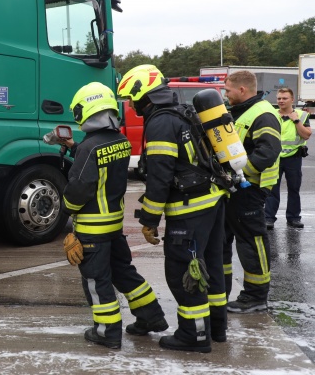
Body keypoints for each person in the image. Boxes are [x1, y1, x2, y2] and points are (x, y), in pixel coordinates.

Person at [117, 64, 228, 353]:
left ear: (145, 95)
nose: (132, 105)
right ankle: (216, 328)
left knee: (185, 272)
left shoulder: (160, 123)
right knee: (211, 268)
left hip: (189, 210)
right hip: (212, 202)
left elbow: (160, 177)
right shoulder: (183, 112)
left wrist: (150, 219)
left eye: (133, 98)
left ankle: (194, 336)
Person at [61, 81, 168, 350]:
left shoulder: (89, 148)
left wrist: (65, 209)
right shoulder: (120, 141)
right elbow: (100, 160)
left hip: (91, 232)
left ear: (86, 110)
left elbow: (80, 187)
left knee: (97, 283)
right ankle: (151, 318)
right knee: (125, 273)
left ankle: (107, 332)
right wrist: (75, 146)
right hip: (113, 227)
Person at [222, 70, 281, 314]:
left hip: (251, 188)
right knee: (223, 239)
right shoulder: (242, 111)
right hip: (235, 188)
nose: (226, 94)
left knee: (251, 241)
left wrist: (240, 175)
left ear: (242, 90)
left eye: (228, 90)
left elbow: (268, 151)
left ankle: (256, 296)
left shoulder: (263, 114)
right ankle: (220, 290)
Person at [264, 87, 311, 229]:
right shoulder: (271, 114)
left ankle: (294, 218)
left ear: (292, 99)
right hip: (274, 158)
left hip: (293, 158)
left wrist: (296, 121)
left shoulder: (302, 115)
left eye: (284, 98)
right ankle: (269, 218)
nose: (281, 101)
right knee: (272, 189)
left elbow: (306, 135)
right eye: (279, 98)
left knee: (294, 189)